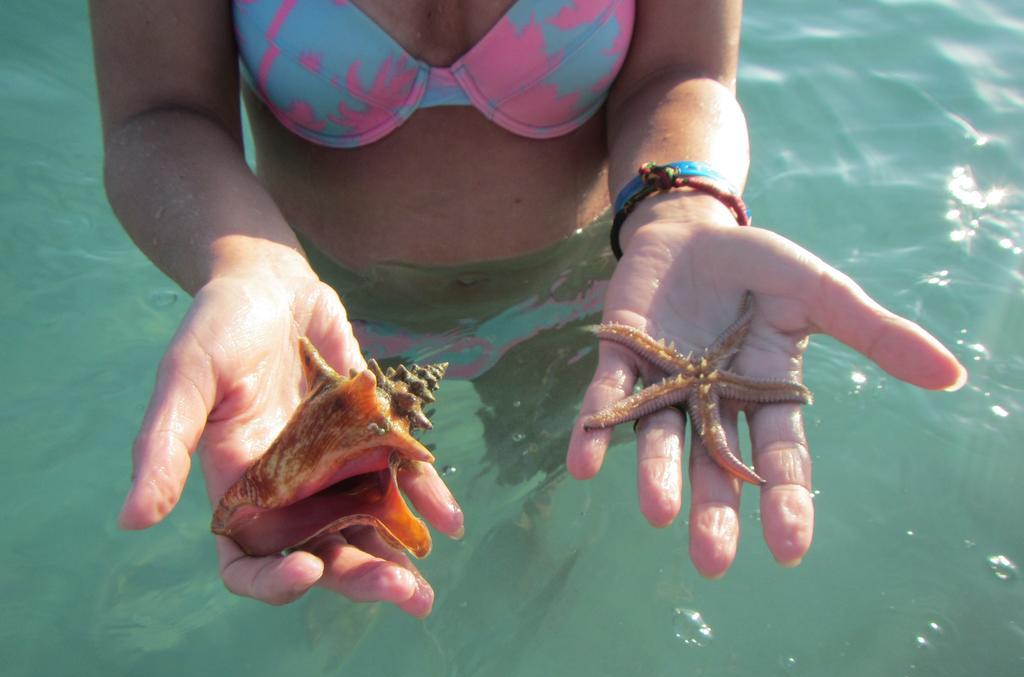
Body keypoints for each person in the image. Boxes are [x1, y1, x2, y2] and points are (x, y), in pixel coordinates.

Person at [89, 0, 966, 617]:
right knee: (342, 551)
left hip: (589, 303)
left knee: (539, 488)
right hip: (320, 333)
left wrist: (685, 201)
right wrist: (246, 271)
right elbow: (159, 113)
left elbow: (682, 69)